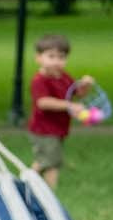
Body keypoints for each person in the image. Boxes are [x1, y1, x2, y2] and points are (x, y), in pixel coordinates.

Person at [26, 33, 92, 191]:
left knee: (44, 160)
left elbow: (77, 93)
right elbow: (43, 102)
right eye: (51, 56)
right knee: (52, 162)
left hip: (57, 129)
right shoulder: (39, 80)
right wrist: (70, 106)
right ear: (39, 58)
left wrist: (86, 85)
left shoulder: (63, 77)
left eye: (61, 57)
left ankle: (25, 183)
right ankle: (50, 193)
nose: (56, 61)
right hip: (43, 130)